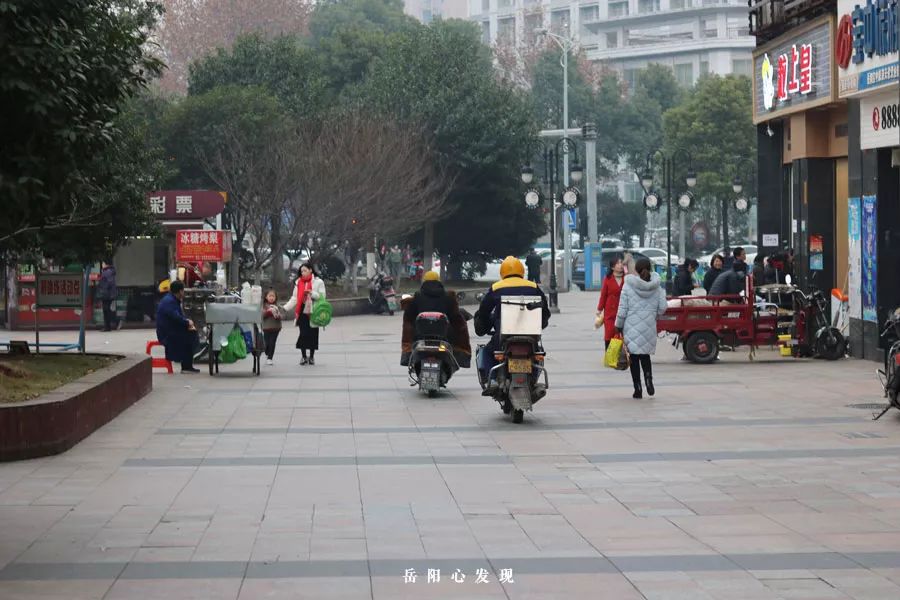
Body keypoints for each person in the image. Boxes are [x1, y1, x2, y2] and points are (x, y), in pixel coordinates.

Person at [474, 256, 550, 396]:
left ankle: (493, 380)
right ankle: (533, 381)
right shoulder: (533, 287)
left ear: (502, 272)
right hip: (530, 337)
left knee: (487, 352)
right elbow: (545, 311)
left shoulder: (497, 287)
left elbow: (484, 312)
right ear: (521, 270)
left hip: (503, 337)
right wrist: (542, 324)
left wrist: (484, 325)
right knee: (537, 353)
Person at [614, 258, 667, 399]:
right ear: (650, 268)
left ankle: (637, 388)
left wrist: (618, 325)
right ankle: (649, 380)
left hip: (631, 326)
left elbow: (622, 309)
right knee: (645, 356)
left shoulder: (628, 285)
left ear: (636, 270)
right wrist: (653, 314)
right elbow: (663, 308)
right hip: (649, 326)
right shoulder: (657, 287)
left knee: (634, 358)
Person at [401, 271, 471, 368]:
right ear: (439, 281)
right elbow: (456, 319)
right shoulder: (448, 297)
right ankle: (461, 356)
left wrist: (407, 349)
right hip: (445, 336)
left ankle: (407, 355)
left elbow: (409, 319)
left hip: (420, 336)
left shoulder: (417, 296)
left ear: (424, 281)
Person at [283, 263, 326, 365]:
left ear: (310, 270)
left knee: (313, 334)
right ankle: (303, 356)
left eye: (305, 270)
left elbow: (322, 296)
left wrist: (311, 293)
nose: (303, 273)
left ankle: (311, 357)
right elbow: (295, 297)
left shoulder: (318, 282)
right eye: (301, 271)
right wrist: (286, 307)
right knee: (303, 334)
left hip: (313, 311)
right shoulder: (298, 282)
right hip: (302, 310)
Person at [156, 280, 200, 373]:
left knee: (190, 332)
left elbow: (178, 317)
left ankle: (186, 364)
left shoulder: (171, 299)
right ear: (180, 291)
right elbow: (176, 317)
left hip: (170, 329)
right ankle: (186, 366)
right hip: (167, 333)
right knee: (191, 336)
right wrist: (187, 323)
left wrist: (186, 322)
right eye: (183, 290)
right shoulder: (170, 301)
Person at [596, 258, 625, 349]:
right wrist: (599, 309)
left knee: (622, 335)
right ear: (612, 267)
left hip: (623, 310)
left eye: (621, 263)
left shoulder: (627, 278)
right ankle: (609, 355)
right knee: (609, 334)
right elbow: (603, 295)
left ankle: (622, 355)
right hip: (610, 312)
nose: (620, 265)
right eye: (618, 263)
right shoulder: (608, 279)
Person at [262, 289, 283, 366]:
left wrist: (278, 315)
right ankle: (267, 352)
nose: (271, 298)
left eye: (273, 296)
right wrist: (268, 312)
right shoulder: (264, 306)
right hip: (266, 328)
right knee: (266, 343)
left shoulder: (277, 306)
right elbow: (261, 315)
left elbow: (282, 315)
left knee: (272, 342)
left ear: (275, 297)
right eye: (270, 296)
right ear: (266, 297)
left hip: (276, 328)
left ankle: (270, 358)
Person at [98, 260, 120, 331]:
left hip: (107, 294)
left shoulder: (107, 272)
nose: (102, 265)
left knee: (106, 310)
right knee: (107, 309)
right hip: (109, 293)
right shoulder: (109, 271)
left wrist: (103, 291)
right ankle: (110, 325)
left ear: (105, 264)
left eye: (103, 263)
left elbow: (107, 283)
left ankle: (110, 325)